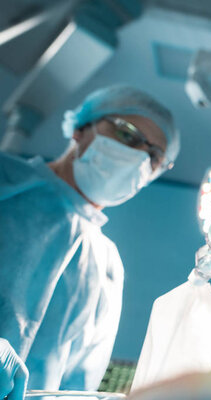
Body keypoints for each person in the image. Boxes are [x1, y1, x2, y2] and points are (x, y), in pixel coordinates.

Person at [0, 85, 180, 399]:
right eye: (128, 134)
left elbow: (75, 388)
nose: (139, 156)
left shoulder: (107, 268)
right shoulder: (5, 181)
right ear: (82, 129)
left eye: (153, 156)